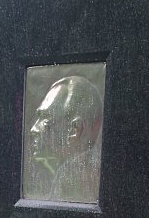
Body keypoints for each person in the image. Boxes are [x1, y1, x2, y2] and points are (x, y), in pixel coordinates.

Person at [26, 74, 103, 203]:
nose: (33, 129)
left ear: (74, 130)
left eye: (45, 118)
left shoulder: (73, 181)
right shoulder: (63, 177)